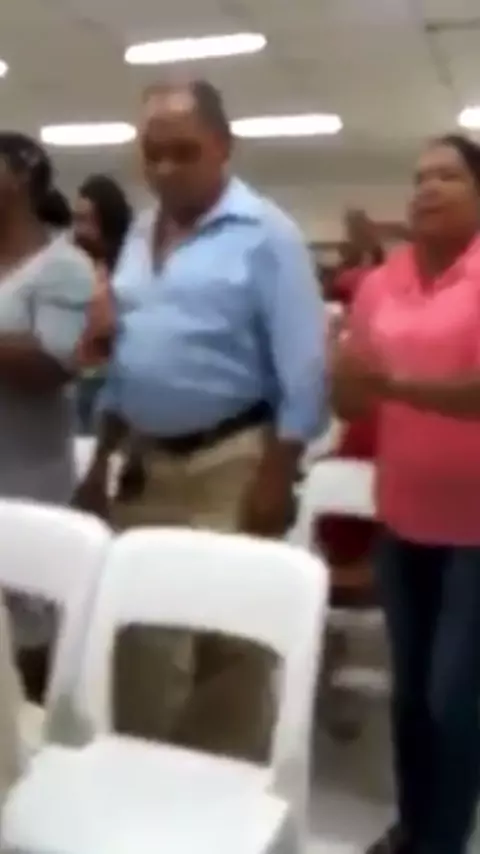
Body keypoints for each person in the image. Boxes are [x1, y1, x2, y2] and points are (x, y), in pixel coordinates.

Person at [76, 79, 325, 760]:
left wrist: (276, 475)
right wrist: (101, 462)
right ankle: (142, 775)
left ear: (223, 146)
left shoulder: (267, 235)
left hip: (233, 460)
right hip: (146, 463)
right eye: (152, 154)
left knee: (231, 640)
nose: (164, 169)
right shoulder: (139, 235)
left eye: (183, 152)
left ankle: (226, 790)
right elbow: (128, 358)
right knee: (141, 634)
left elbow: (305, 369)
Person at [332, 134, 480, 854]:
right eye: (420, 176)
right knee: (410, 696)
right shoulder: (382, 282)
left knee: (455, 699)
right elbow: (351, 398)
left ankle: (442, 841)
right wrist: (340, 379)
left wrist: (391, 384)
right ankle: (414, 826)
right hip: (403, 517)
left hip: (476, 531)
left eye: (447, 176)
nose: (427, 188)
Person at [0, 133, 96, 700]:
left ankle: (40, 736)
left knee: (28, 638)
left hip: (27, 478)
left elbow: (52, 365)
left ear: (20, 176)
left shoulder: (62, 267)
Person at [72, 174, 132, 433]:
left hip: (113, 378)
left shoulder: (129, 266)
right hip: (79, 379)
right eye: (76, 220)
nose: (79, 229)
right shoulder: (76, 264)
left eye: (86, 220)